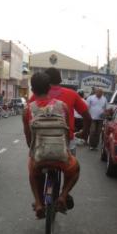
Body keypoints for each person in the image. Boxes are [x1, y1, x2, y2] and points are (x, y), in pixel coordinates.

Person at [23, 72, 80, 218]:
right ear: (49, 88)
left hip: (40, 157)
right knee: (76, 169)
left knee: (32, 172)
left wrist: (34, 148)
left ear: (32, 89)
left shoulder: (28, 110)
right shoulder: (63, 107)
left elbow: (29, 139)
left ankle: (38, 203)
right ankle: (62, 196)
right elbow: (66, 134)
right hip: (61, 156)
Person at [29, 67, 91, 154]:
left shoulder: (36, 95)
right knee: (73, 167)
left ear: (46, 81)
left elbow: (28, 118)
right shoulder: (72, 94)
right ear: (60, 80)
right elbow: (87, 117)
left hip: (41, 142)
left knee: (34, 165)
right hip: (67, 141)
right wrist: (84, 132)